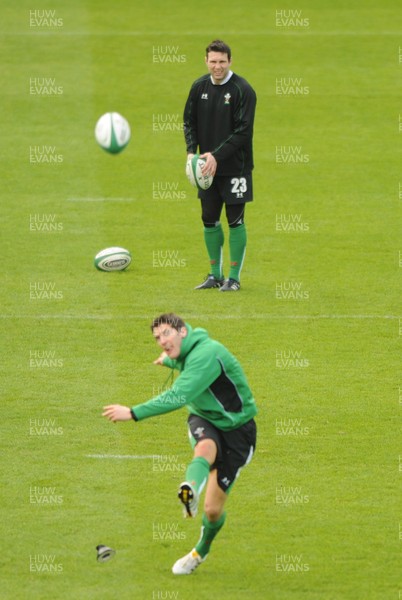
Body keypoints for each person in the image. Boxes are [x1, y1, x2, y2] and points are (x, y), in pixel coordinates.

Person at [102, 312, 257, 575]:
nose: (161, 341)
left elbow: (178, 395)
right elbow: (186, 361)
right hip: (204, 418)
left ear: (183, 331)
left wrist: (132, 412)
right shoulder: (189, 351)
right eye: (157, 337)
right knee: (205, 447)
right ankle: (191, 490)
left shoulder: (208, 353)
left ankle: (200, 551)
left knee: (212, 511)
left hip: (237, 431)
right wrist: (170, 361)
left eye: (167, 334)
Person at [183, 39, 257, 292]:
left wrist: (215, 155)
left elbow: (243, 132)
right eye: (213, 61)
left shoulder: (243, 90)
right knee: (208, 219)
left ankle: (233, 278)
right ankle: (215, 275)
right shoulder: (198, 87)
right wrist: (191, 152)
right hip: (205, 167)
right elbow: (188, 122)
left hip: (236, 167)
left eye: (222, 62)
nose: (217, 67)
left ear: (230, 61)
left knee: (235, 220)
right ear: (206, 61)